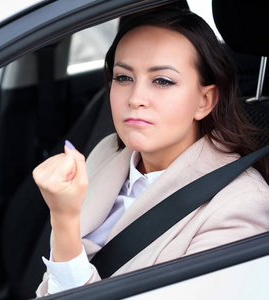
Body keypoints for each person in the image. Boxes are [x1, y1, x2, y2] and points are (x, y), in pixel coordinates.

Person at [33, 6, 269, 297]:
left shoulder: (240, 206)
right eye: (123, 77)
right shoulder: (105, 153)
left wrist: (64, 222)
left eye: (162, 81)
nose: (136, 98)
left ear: (204, 101)